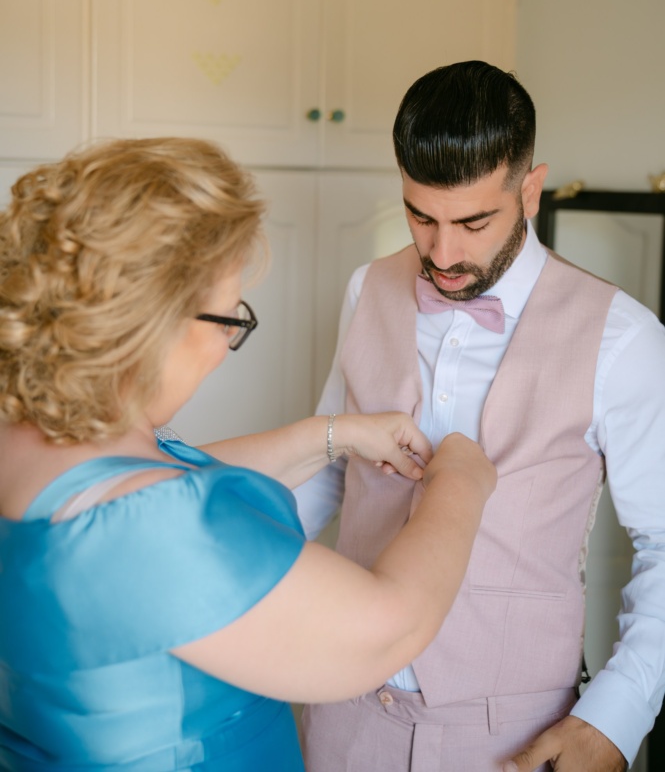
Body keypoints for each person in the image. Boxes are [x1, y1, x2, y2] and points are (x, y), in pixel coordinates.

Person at [0, 136, 496, 771]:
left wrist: (332, 434)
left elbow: (152, 478)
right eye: (228, 321)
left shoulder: (30, 437)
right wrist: (462, 480)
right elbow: (386, 629)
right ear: (157, 323)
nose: (221, 350)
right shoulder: (148, 528)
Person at [295, 60, 665, 772]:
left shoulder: (623, 338)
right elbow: (324, 474)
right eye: (420, 216)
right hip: (341, 715)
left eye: (472, 222)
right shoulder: (367, 288)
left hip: (512, 738)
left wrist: (615, 719)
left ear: (530, 189)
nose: (442, 253)